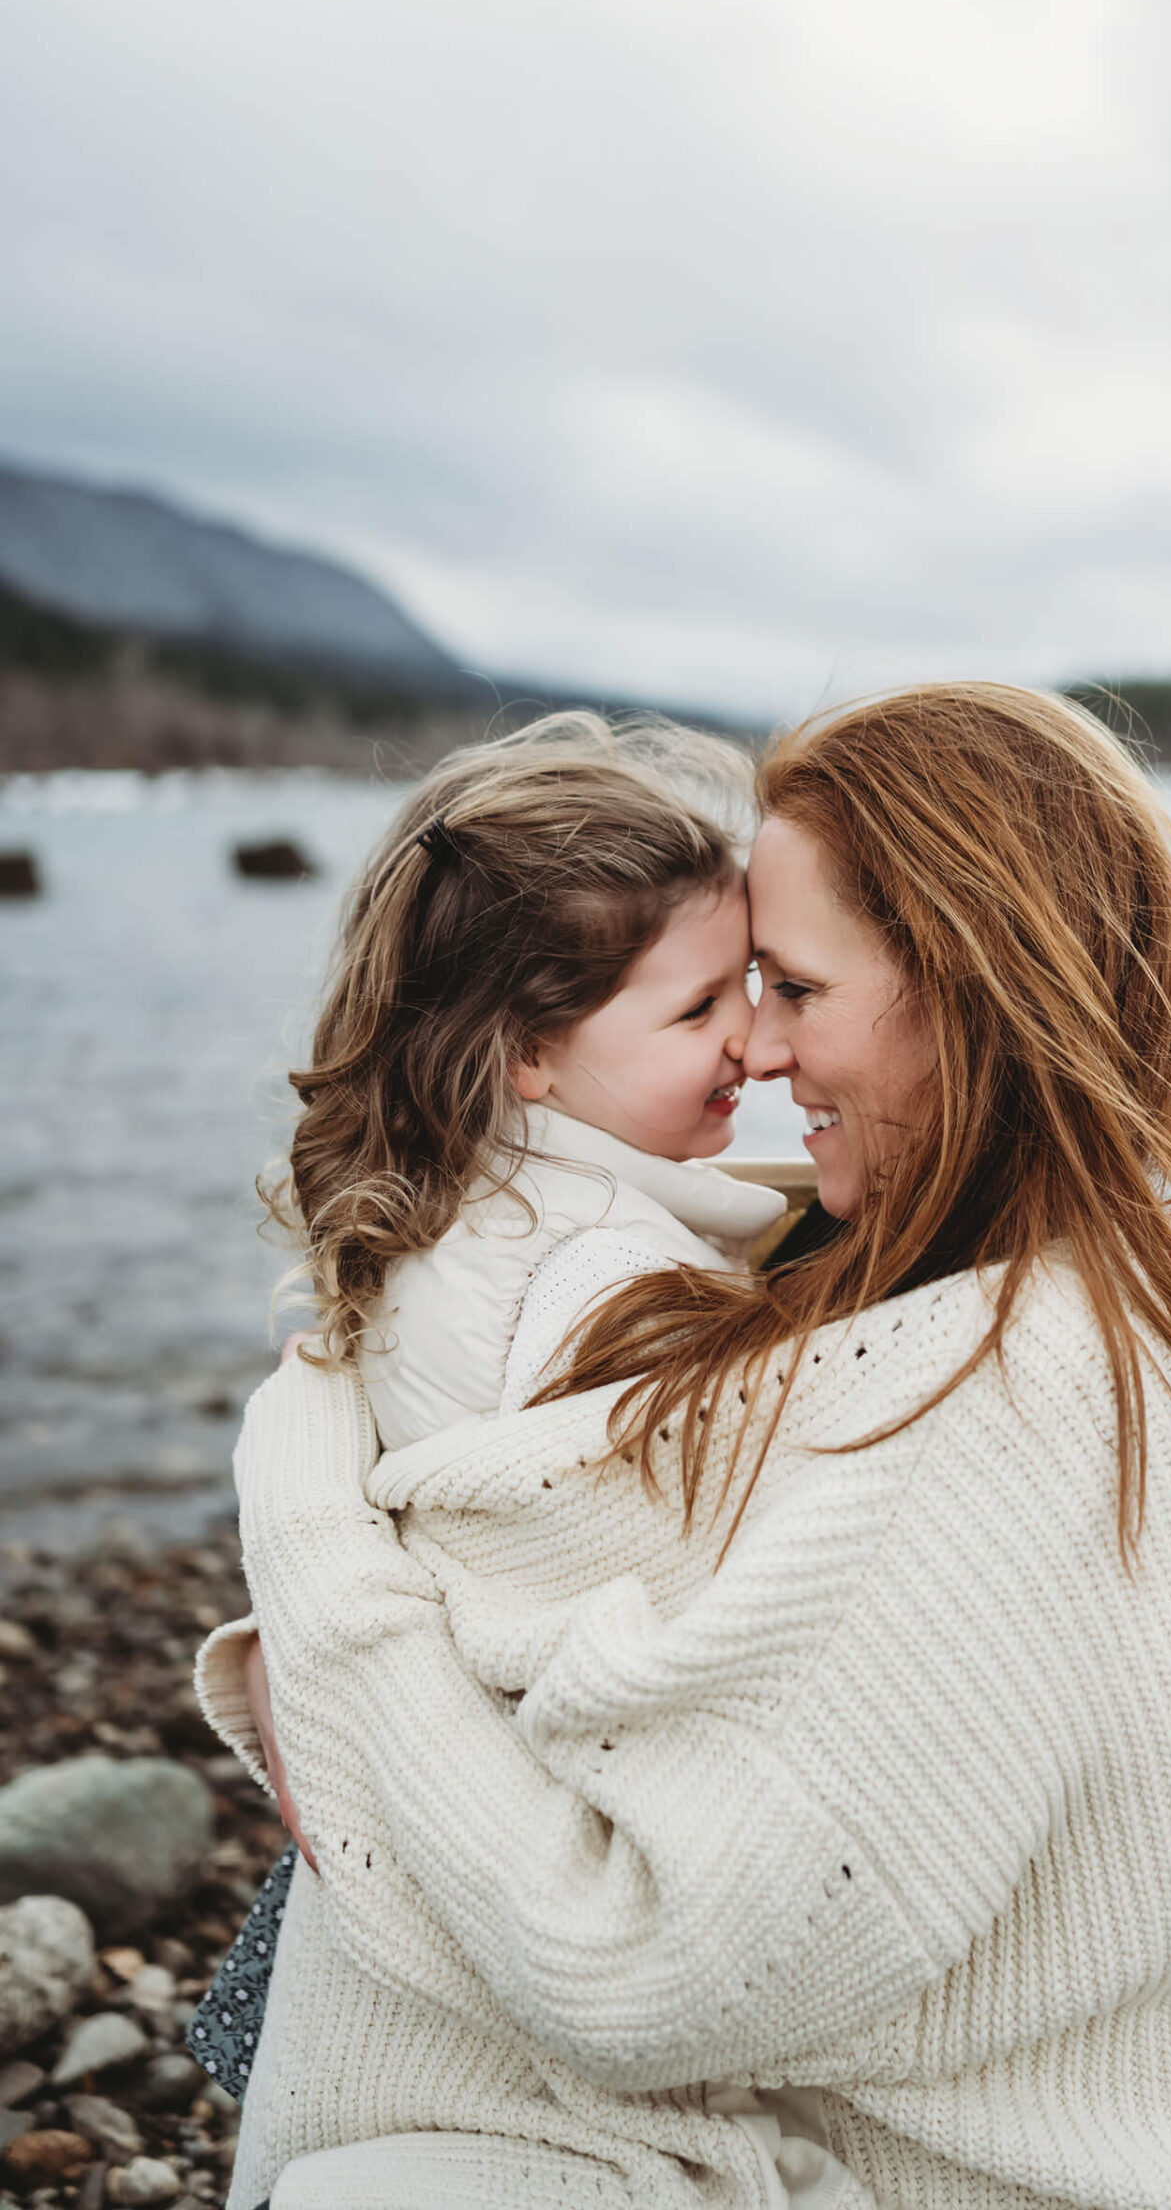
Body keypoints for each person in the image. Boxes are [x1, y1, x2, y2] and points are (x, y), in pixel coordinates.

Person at [198, 682, 1171, 2209]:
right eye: (731, 996)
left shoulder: (1022, 1404)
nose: (761, 1054)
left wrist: (316, 1552)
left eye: (789, 986)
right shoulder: (990, 1279)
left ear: (969, 986)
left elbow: (642, 1974)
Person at [187, 708, 792, 2108]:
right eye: (698, 1008)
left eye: (750, 986)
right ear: (528, 1050)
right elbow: (648, 1564)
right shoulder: (606, 1273)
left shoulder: (460, 1202)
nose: (751, 1040)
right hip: (520, 1801)